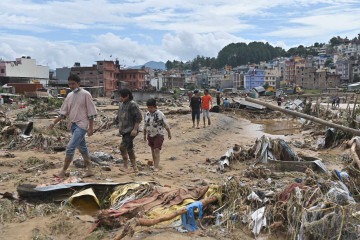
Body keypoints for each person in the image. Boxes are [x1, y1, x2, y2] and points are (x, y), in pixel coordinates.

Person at [49, 74, 97, 178]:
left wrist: (91, 128)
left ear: (79, 84)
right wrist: (54, 122)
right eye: (69, 84)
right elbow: (63, 112)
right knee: (83, 148)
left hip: (82, 125)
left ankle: (63, 171)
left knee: (70, 147)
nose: (71, 86)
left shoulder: (86, 94)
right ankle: (90, 170)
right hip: (73, 125)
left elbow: (91, 112)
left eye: (73, 84)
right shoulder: (69, 96)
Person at [108, 88, 142, 173]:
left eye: (122, 96)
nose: (120, 98)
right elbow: (118, 117)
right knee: (129, 148)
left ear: (127, 96)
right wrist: (112, 123)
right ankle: (135, 168)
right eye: (120, 96)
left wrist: (135, 129)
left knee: (122, 147)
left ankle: (125, 166)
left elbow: (138, 118)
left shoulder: (132, 105)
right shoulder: (121, 104)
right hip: (123, 130)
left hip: (130, 130)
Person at [143, 98, 171, 172]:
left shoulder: (160, 114)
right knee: (152, 150)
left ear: (155, 107)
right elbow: (145, 125)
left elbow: (165, 124)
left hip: (159, 134)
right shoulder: (147, 114)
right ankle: (154, 164)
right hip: (150, 135)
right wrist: (144, 135)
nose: (149, 109)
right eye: (148, 107)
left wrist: (169, 133)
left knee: (157, 150)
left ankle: (156, 167)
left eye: (151, 107)